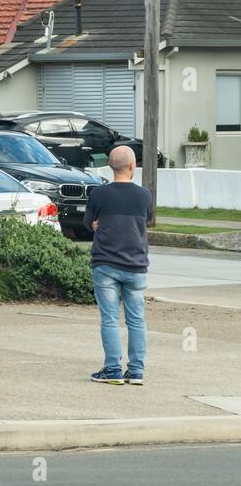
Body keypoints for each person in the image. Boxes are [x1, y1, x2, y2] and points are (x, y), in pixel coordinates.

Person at [85, 145, 152, 385]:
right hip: (136, 265)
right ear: (132, 166)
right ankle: (136, 371)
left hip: (105, 264)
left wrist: (97, 225)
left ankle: (112, 369)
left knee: (110, 319)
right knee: (137, 320)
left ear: (110, 166)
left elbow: (87, 223)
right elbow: (148, 220)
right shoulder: (144, 195)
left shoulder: (98, 194)